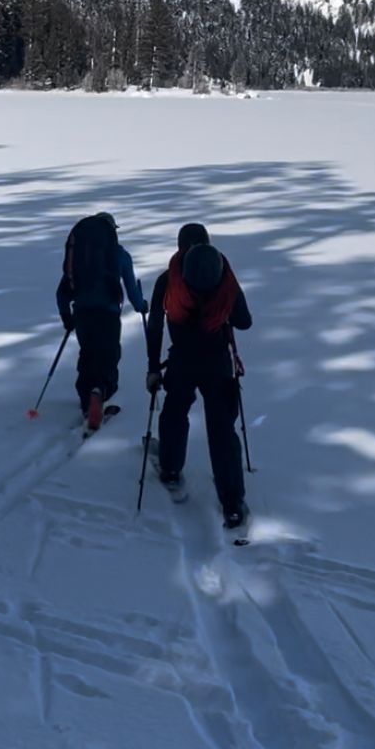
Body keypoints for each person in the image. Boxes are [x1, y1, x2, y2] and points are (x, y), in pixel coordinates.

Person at [146, 223, 252, 527]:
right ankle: (232, 502)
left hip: (182, 358)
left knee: (175, 412)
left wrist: (153, 367)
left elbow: (154, 326)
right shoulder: (223, 278)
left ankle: (169, 468)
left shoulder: (168, 280)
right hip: (217, 362)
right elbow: (244, 322)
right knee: (221, 428)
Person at [57, 212, 145, 430]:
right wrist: (142, 306)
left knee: (88, 353)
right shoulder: (120, 255)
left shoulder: (78, 257)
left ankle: (86, 397)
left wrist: (67, 317)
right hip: (108, 314)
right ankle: (100, 391)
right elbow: (132, 292)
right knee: (108, 356)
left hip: (82, 314)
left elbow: (63, 292)